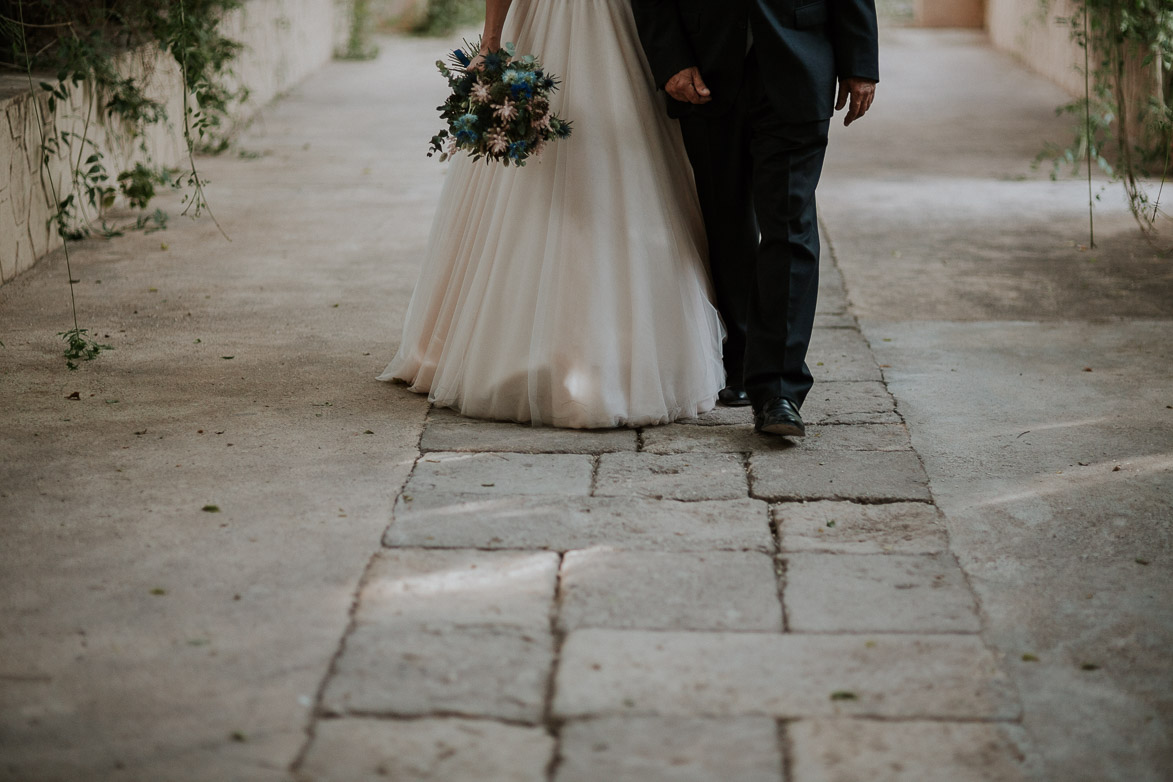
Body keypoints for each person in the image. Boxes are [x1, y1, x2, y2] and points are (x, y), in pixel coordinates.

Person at [380, 0, 726, 429]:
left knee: (615, 162)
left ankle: (613, 349)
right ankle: (546, 348)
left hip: (625, 23)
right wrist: (491, 39)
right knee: (540, 172)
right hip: (549, 25)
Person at [631, 0, 879, 437]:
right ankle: (742, 355)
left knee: (789, 223)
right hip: (703, 66)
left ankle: (779, 390)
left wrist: (860, 61)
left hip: (800, 57)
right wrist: (670, 57)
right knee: (724, 220)